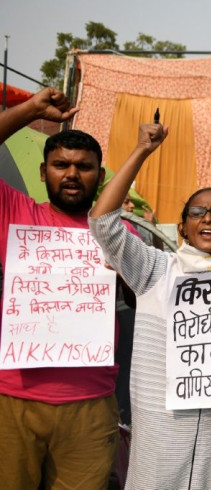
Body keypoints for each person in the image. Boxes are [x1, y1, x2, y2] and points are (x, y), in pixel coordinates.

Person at [88, 122, 211, 489]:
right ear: (183, 226)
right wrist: (142, 150)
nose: (208, 217)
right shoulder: (153, 269)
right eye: (197, 211)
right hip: (162, 438)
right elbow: (102, 222)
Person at [0, 88, 140, 489]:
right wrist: (28, 110)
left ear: (101, 175)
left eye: (85, 166)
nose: (73, 174)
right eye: (61, 165)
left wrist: (125, 274)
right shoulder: (14, 212)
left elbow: (143, 302)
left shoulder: (121, 233)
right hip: (14, 400)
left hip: (91, 406)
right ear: (44, 173)